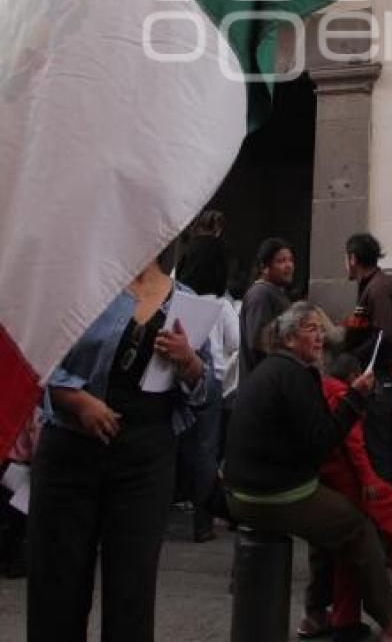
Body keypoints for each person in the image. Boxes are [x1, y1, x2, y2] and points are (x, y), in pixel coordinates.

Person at [27, 258, 212, 642]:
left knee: (132, 587)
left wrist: (189, 362)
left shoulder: (186, 300)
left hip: (146, 456)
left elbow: (202, 391)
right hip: (72, 448)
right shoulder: (82, 287)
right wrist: (76, 399)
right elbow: (38, 355)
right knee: (57, 583)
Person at [224, 302, 392, 642]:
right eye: (309, 329)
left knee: (326, 528)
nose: (319, 336)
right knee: (357, 528)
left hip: (244, 491)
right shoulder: (297, 375)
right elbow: (321, 442)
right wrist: (355, 399)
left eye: (321, 329)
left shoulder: (270, 370)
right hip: (273, 493)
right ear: (289, 339)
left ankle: (316, 615)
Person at [319, 353, 392, 639]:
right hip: (348, 483)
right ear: (354, 377)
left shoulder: (321, 388)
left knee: (347, 557)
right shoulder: (344, 395)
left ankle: (345, 621)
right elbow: (353, 444)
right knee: (390, 505)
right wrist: (368, 478)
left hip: (327, 480)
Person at [177, 210, 239, 541]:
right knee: (205, 450)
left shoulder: (177, 300)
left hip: (176, 379)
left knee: (179, 447)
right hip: (209, 379)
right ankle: (203, 521)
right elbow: (237, 345)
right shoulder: (222, 306)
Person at [343, 233, 392, 500]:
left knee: (380, 454)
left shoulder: (379, 288)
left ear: (353, 259)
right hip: (376, 380)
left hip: (378, 382)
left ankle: (388, 521)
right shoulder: (371, 286)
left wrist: (353, 359)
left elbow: (385, 335)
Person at [238, 237, 295, 382]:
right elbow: (258, 343)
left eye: (290, 260)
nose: (288, 265)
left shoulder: (275, 293)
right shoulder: (260, 294)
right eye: (281, 261)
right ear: (265, 267)